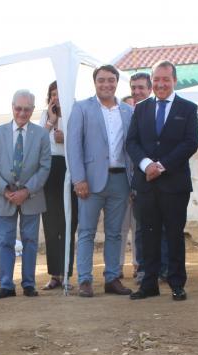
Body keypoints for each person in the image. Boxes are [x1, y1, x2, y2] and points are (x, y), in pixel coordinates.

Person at [126, 60, 198, 301]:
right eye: (156, 80)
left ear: (174, 81)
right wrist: (147, 165)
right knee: (148, 234)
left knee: (174, 235)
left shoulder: (188, 108)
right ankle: (149, 284)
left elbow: (190, 143)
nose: (160, 84)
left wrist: (162, 165)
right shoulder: (141, 108)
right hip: (146, 183)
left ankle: (177, 283)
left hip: (174, 183)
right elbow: (132, 143)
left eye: (165, 79)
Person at [67, 65, 134, 298]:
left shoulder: (127, 111)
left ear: (117, 82)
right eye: (102, 80)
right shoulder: (82, 108)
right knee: (86, 232)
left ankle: (112, 278)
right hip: (90, 182)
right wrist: (78, 179)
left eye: (111, 80)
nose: (106, 84)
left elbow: (131, 148)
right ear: (94, 83)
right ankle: (85, 280)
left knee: (115, 233)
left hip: (120, 180)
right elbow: (73, 146)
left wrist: (132, 182)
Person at [0, 89, 52, 298]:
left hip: (31, 196)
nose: (22, 113)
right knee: (5, 240)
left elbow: (45, 167)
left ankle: (29, 284)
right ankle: (6, 285)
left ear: (33, 110)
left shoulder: (41, 134)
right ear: (12, 107)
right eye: (18, 108)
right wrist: (4, 189)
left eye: (27, 109)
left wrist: (27, 190)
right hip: (3, 196)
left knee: (30, 240)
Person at [39, 81, 77, 291]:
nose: (56, 98)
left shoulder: (74, 113)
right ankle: (55, 274)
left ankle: (67, 274)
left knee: (68, 224)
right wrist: (51, 122)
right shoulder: (46, 116)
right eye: (52, 94)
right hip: (50, 170)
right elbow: (37, 143)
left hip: (70, 168)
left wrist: (66, 138)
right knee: (51, 225)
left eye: (59, 94)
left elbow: (82, 141)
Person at [127, 71, 154, 282]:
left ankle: (162, 268)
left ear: (150, 89)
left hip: (164, 177)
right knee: (141, 228)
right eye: (133, 88)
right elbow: (130, 146)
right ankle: (143, 268)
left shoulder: (160, 110)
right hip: (138, 179)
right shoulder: (129, 113)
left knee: (163, 226)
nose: (137, 92)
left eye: (141, 88)